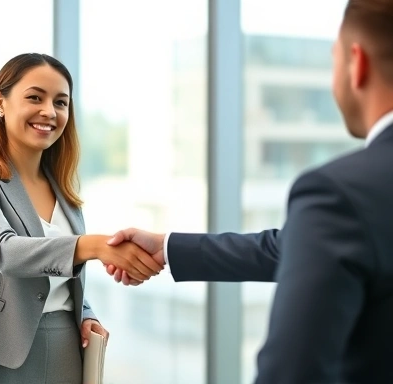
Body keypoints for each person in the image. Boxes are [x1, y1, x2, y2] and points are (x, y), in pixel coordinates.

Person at [107, 0, 393, 382]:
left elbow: (290, 373)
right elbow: (291, 247)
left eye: (334, 59)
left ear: (357, 63)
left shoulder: (339, 193)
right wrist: (169, 247)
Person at [0, 53, 162, 384]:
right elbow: (5, 251)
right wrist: (95, 246)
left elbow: (59, 278)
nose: (49, 111)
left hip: (64, 347)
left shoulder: (63, 190)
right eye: (34, 97)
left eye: (61, 102)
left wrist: (85, 314)